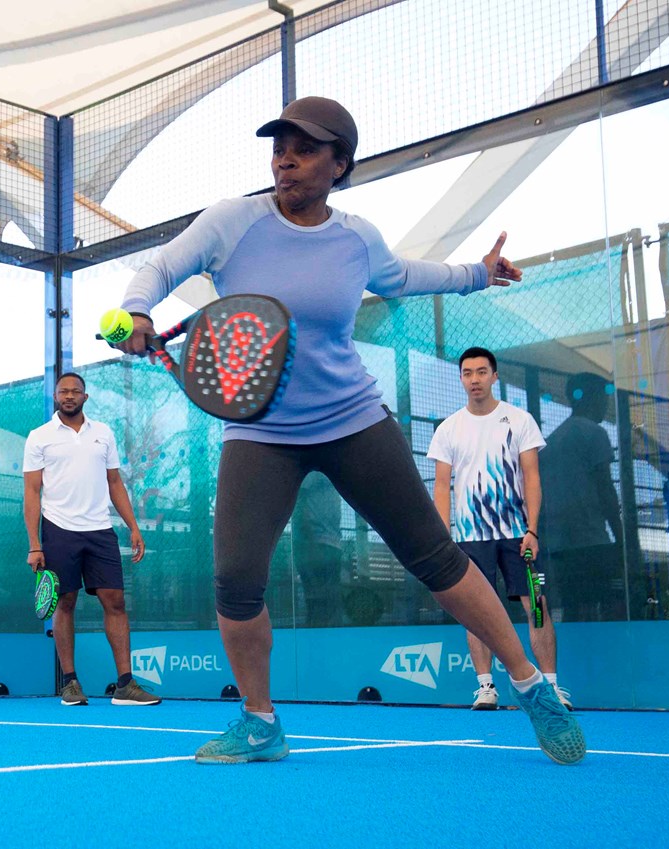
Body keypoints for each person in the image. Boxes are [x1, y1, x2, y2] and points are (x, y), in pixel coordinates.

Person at [115, 96, 584, 764]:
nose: (286, 159)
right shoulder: (232, 222)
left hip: (352, 420)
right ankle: (259, 722)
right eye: (279, 146)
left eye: (305, 149)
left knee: (436, 557)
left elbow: (404, 276)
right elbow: (161, 266)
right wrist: (137, 310)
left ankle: (530, 684)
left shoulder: (356, 237)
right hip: (261, 432)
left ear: (340, 163)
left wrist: (478, 274)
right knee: (235, 578)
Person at [428, 347, 572, 711]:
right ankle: (485, 687)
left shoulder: (520, 420)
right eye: (467, 373)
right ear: (461, 379)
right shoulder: (448, 429)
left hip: (517, 536)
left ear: (494, 376)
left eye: (481, 372)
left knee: (536, 605)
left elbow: (532, 476)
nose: (474, 379)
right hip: (469, 540)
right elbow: (441, 487)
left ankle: (551, 686)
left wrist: (532, 530)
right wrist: (445, 538)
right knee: (475, 610)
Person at [23, 372, 159, 707]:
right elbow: (31, 492)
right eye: (63, 391)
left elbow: (114, 483)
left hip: (100, 530)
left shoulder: (103, 433)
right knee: (64, 603)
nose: (69, 396)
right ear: (56, 397)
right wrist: (34, 544)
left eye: (75, 391)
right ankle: (70, 684)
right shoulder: (38, 437)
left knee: (115, 602)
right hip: (58, 530)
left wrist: (133, 526)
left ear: (85, 397)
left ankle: (126, 684)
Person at [538, 372, 627, 621]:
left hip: (559, 545)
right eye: (602, 397)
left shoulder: (553, 441)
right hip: (590, 540)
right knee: (599, 608)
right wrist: (621, 539)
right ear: (590, 397)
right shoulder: (594, 433)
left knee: (573, 608)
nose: (605, 404)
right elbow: (605, 489)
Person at [291, 472, 347, 627]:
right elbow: (299, 506)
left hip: (329, 544)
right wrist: (311, 545)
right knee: (319, 602)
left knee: (327, 603)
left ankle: (322, 642)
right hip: (317, 544)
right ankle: (317, 642)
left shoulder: (329, 476)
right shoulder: (314, 473)